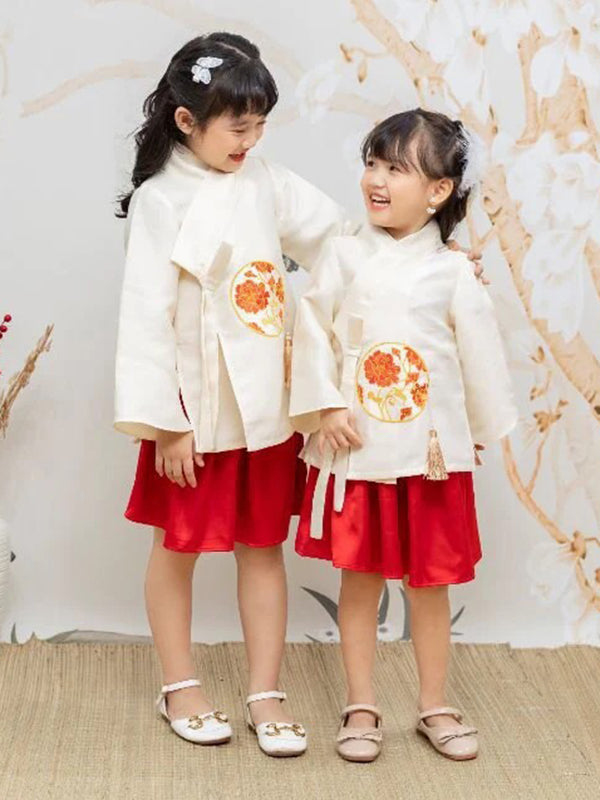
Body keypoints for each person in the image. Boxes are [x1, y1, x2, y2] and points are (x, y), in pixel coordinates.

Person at [290, 109, 517, 763]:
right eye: (372, 164)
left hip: (428, 454)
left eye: (396, 169)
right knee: (360, 579)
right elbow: (313, 332)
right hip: (357, 448)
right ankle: (361, 703)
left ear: (439, 190)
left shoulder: (453, 272)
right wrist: (326, 406)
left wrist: (474, 429)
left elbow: (479, 355)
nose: (377, 180)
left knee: (430, 583)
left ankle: (434, 703)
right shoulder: (342, 254)